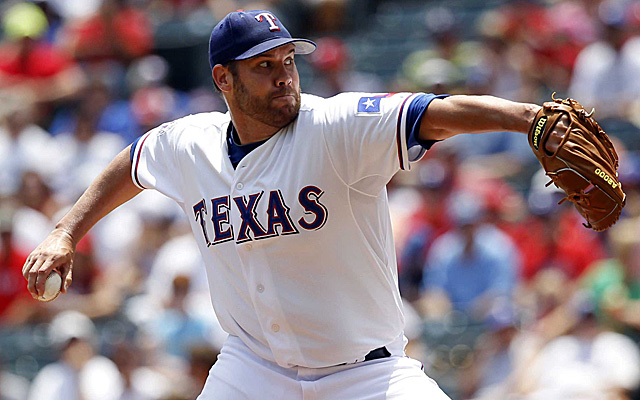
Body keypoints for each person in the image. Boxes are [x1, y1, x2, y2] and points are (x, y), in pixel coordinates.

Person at [23, 9, 567, 399]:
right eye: (263, 66)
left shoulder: (335, 125)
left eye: (288, 60)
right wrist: (65, 231)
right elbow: (135, 161)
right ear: (223, 78)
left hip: (366, 375)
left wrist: (526, 119)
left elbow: (434, 112)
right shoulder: (192, 143)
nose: (284, 74)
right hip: (253, 369)